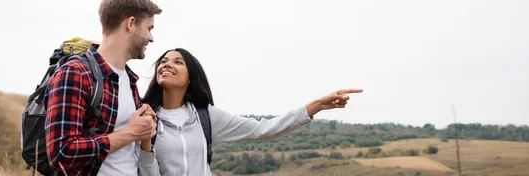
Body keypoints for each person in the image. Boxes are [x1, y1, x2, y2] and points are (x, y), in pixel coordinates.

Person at [137, 48, 363, 176]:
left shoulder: (207, 117)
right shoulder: (144, 117)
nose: (167, 64)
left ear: (190, 77)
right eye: (163, 61)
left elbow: (264, 129)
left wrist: (317, 106)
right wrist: (147, 140)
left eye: (178, 62)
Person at [43, 0, 162, 176]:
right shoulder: (76, 73)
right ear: (131, 23)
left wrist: (144, 129)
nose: (151, 38)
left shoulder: (129, 80)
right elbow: (61, 154)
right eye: (149, 29)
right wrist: (130, 133)